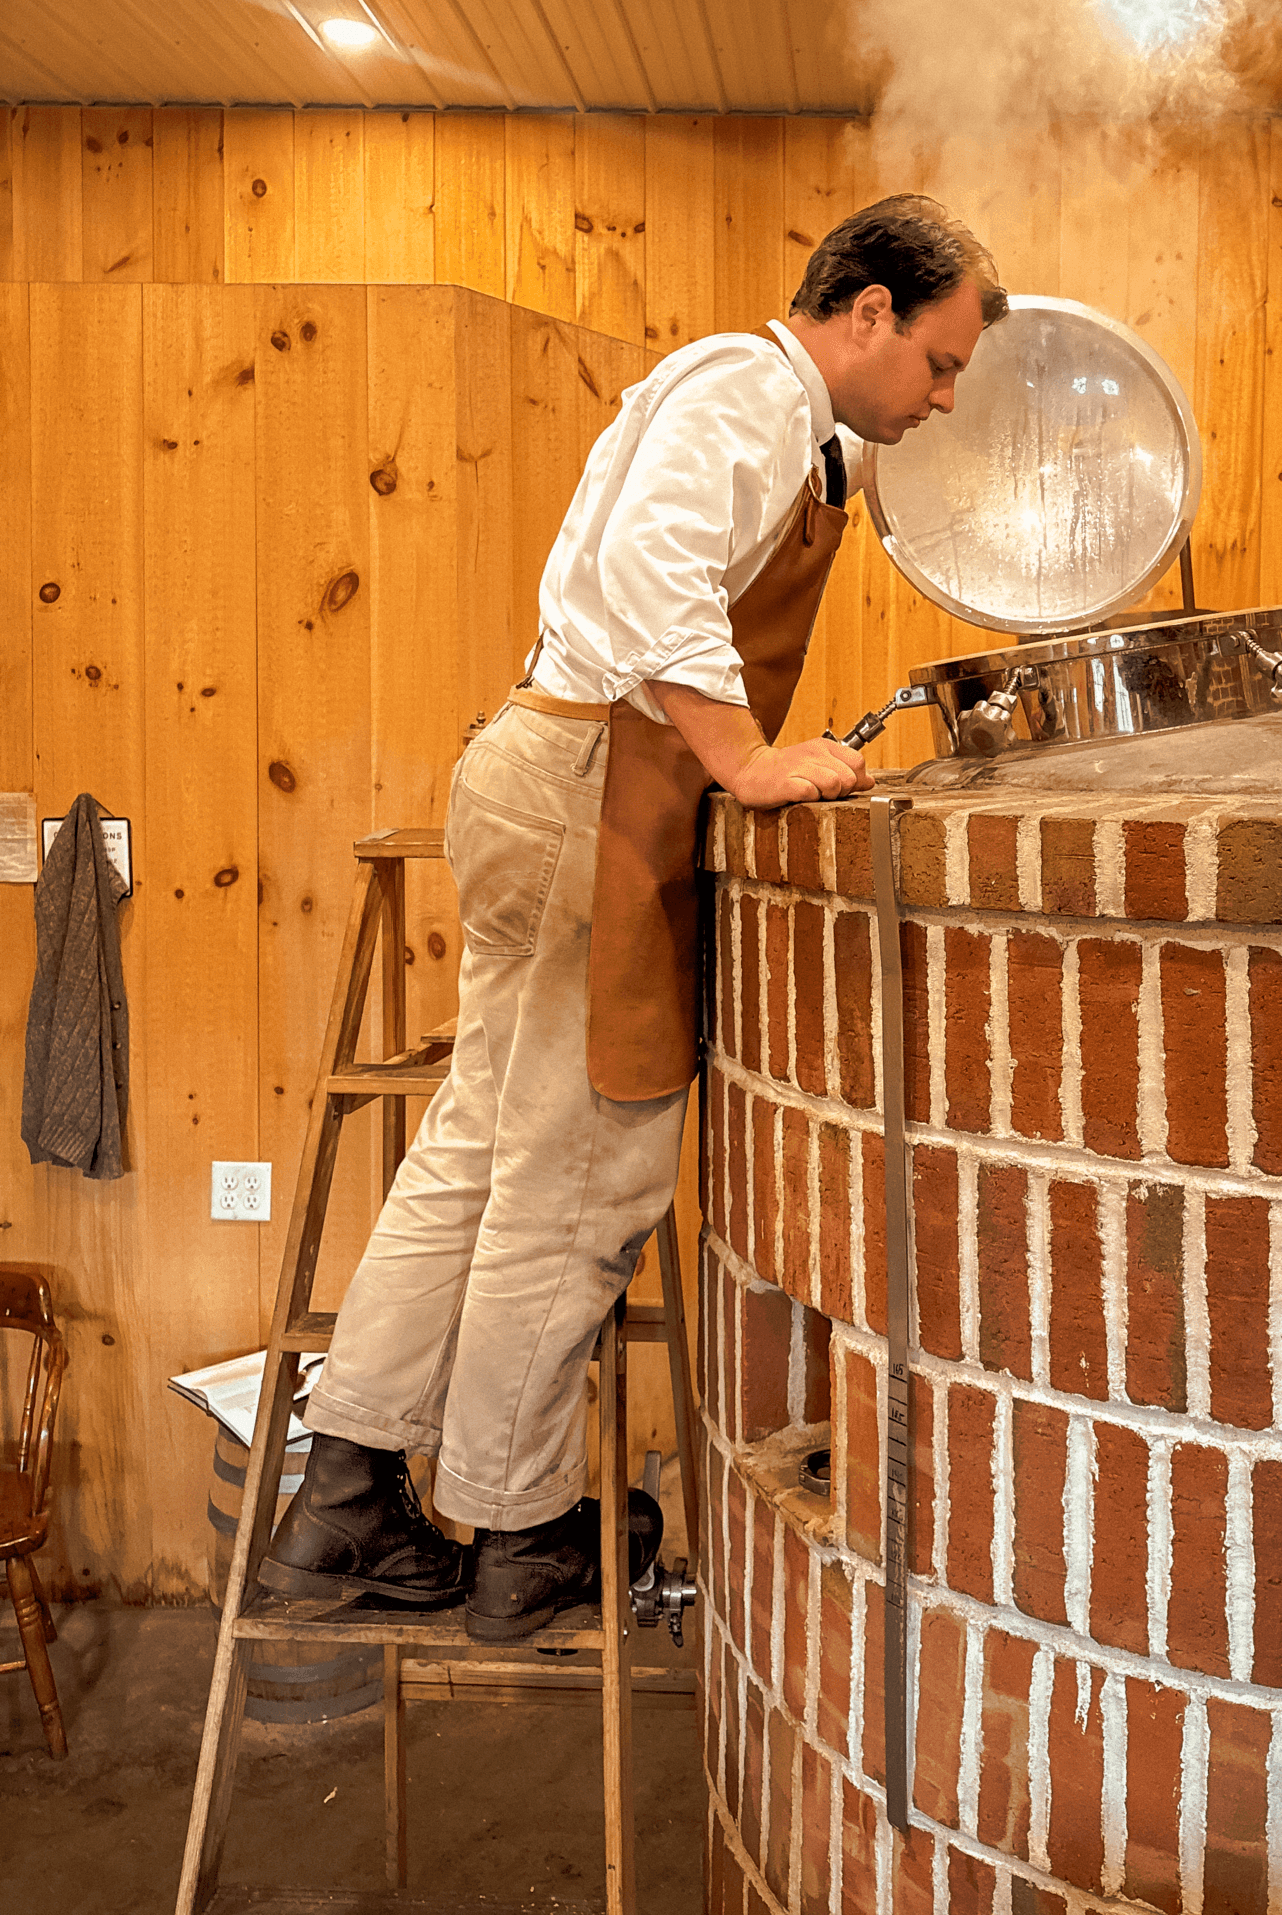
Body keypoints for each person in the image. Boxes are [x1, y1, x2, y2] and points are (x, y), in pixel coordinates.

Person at [262, 195, 1007, 1639]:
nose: (947, 393)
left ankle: (344, 1492)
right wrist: (742, 758)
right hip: (593, 786)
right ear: (868, 313)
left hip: (556, 765)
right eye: (942, 361)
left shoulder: (793, 429)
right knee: (586, 1176)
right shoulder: (747, 390)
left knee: (479, 1150)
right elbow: (651, 572)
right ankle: (521, 1529)